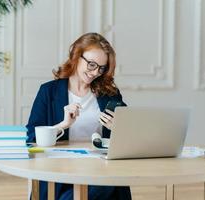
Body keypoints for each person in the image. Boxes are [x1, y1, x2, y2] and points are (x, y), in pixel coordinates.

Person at [26, 32, 131, 200]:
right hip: (59, 173)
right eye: (91, 64)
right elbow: (30, 137)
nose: (95, 72)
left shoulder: (110, 94)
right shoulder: (48, 91)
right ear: (76, 55)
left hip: (100, 172)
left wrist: (117, 128)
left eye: (101, 68)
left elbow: (129, 135)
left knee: (108, 183)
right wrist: (63, 125)